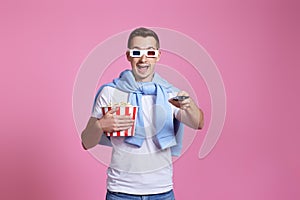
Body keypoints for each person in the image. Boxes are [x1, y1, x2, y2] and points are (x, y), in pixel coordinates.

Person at [81, 27, 204, 200]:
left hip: (162, 192)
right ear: (128, 55)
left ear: (158, 56)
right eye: (137, 52)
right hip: (121, 192)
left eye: (150, 52)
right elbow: (86, 142)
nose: (143, 59)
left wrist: (189, 105)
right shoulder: (110, 92)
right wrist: (100, 125)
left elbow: (198, 123)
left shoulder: (170, 94)